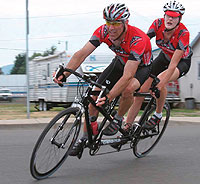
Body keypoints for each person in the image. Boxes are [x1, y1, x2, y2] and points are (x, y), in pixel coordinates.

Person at [53, 3, 153, 156]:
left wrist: (110, 96)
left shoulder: (138, 39)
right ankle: (85, 138)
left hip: (140, 67)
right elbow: (82, 54)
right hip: (120, 61)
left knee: (127, 89)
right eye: (108, 22)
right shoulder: (103, 31)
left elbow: (128, 76)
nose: (111, 27)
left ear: (125, 23)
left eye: (116, 23)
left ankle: (118, 119)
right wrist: (65, 74)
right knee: (93, 96)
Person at [124, 0, 193, 131]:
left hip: (180, 62)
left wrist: (160, 85)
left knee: (159, 81)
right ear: (164, 15)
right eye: (168, 15)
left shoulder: (184, 33)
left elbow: (172, 65)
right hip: (164, 57)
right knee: (140, 91)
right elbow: (143, 40)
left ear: (180, 18)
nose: (170, 19)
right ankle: (127, 128)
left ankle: (158, 115)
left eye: (174, 17)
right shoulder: (157, 24)